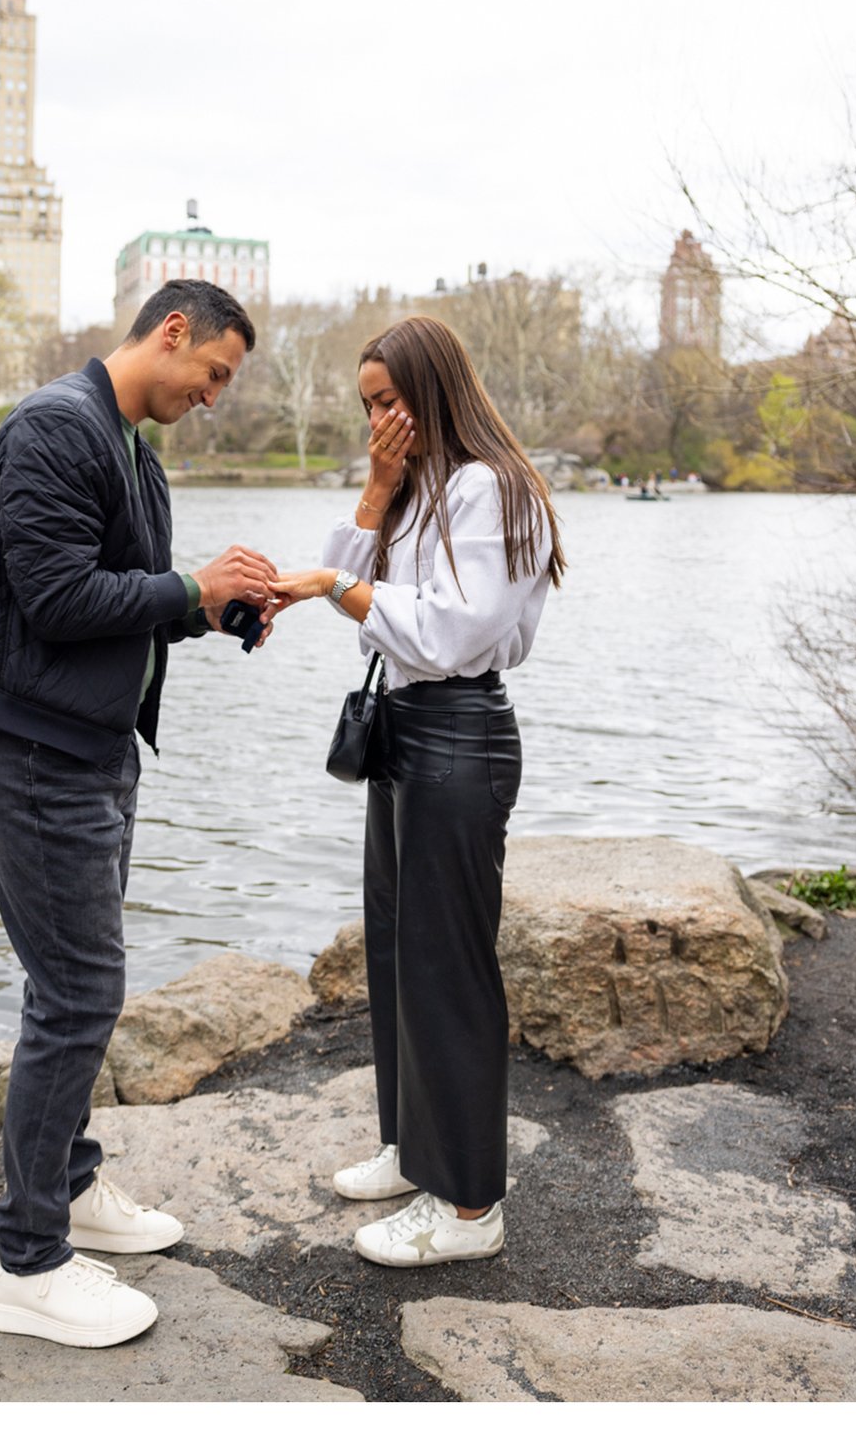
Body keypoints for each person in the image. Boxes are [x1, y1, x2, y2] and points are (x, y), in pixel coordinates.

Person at [0, 279, 279, 1349]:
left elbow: (119, 604)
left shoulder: (130, 445)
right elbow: (53, 597)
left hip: (89, 750)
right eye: (214, 372)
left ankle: (71, 1186)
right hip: (28, 753)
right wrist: (185, 587)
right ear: (171, 332)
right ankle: (25, 1263)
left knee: (75, 988)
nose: (214, 396)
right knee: (80, 992)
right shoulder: (54, 426)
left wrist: (212, 610)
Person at [266, 314, 562, 1268]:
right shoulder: (423, 485)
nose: (379, 419)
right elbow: (364, 604)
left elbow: (447, 635)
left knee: (449, 967)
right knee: (397, 950)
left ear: (436, 388)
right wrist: (378, 487)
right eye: (366, 406)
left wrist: (332, 588)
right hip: (406, 733)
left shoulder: (490, 486)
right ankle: (412, 1148)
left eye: (389, 400)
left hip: (459, 733)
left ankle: (470, 1205)